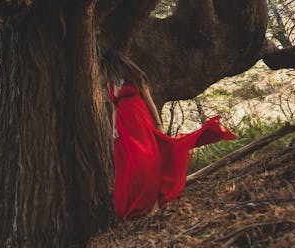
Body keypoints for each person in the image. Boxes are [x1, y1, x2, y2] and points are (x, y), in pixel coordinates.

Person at [100, 50, 236, 219]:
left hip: (140, 123)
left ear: (115, 64)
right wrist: (113, 128)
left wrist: (158, 123)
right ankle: (140, 204)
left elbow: (148, 100)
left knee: (148, 160)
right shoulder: (111, 84)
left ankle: (154, 203)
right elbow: (115, 108)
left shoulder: (134, 76)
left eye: (107, 68)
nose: (106, 73)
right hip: (124, 129)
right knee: (133, 166)